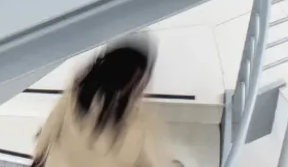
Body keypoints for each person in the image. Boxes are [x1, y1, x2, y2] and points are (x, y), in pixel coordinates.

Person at [32, 38, 179, 167]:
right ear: (134, 82)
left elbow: (47, 137)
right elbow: (154, 161)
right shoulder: (137, 123)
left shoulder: (74, 96)